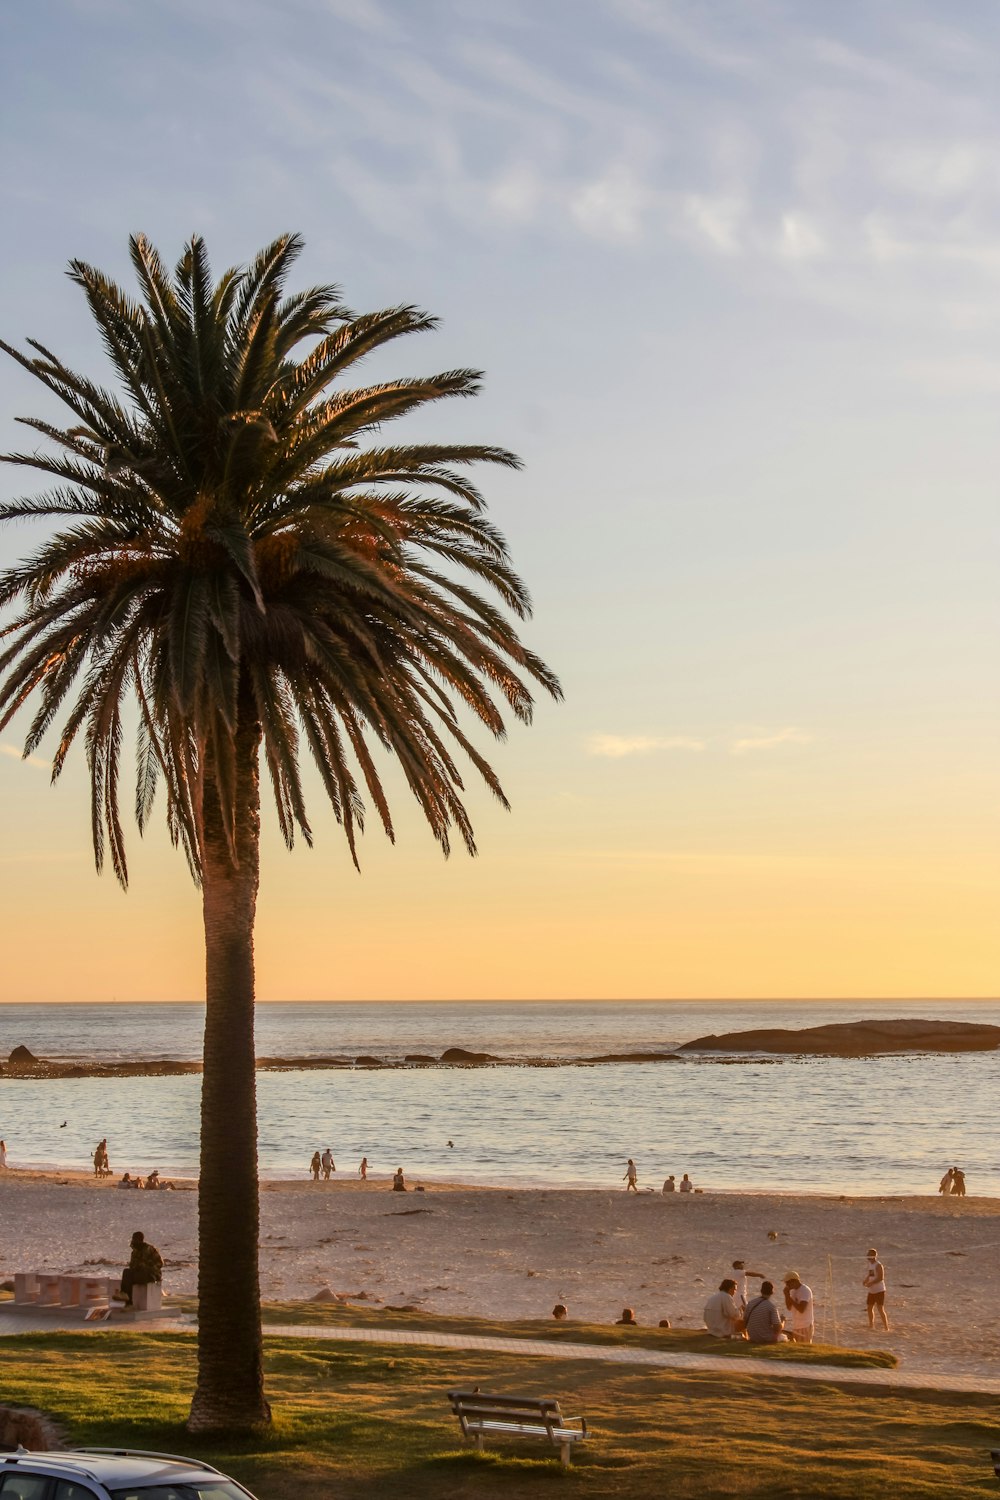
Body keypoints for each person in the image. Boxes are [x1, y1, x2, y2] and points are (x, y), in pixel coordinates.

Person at [116, 1230, 163, 1307]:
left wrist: (147, 1267)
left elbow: (160, 1263)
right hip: (141, 1274)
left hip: (151, 1275)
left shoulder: (149, 1249)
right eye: (133, 1239)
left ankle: (129, 1302)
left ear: (140, 1240)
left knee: (132, 1277)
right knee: (127, 1272)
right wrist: (136, 1267)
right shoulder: (135, 1252)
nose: (133, 1241)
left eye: (135, 1239)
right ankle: (126, 1298)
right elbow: (132, 1266)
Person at [782, 1272, 814, 1344]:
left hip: (805, 1325)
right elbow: (789, 1307)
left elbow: (801, 1309)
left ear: (794, 1281)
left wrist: (790, 1297)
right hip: (797, 1325)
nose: (786, 1285)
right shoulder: (793, 1291)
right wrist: (787, 1295)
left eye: (787, 1282)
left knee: (805, 1348)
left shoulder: (805, 1290)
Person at [863, 1247, 890, 1331]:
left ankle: (886, 1327)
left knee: (880, 1309)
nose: (867, 1257)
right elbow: (871, 1274)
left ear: (873, 1256)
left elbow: (880, 1278)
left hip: (879, 1290)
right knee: (869, 1307)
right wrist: (866, 1280)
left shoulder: (878, 1265)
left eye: (869, 1255)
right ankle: (871, 1325)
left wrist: (871, 1283)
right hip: (872, 1290)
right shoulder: (870, 1264)